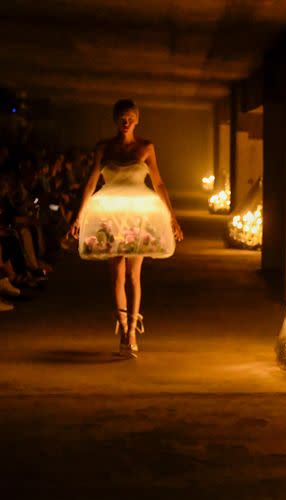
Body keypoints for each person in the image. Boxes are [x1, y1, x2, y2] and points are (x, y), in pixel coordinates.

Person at [68, 99, 183, 357]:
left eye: (130, 117)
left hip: (138, 214)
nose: (126, 122)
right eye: (121, 117)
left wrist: (172, 217)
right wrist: (78, 216)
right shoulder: (104, 148)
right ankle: (122, 328)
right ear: (115, 120)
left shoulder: (146, 147)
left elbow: (159, 183)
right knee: (117, 275)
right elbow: (91, 183)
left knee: (134, 275)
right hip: (110, 215)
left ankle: (132, 329)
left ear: (137, 120)